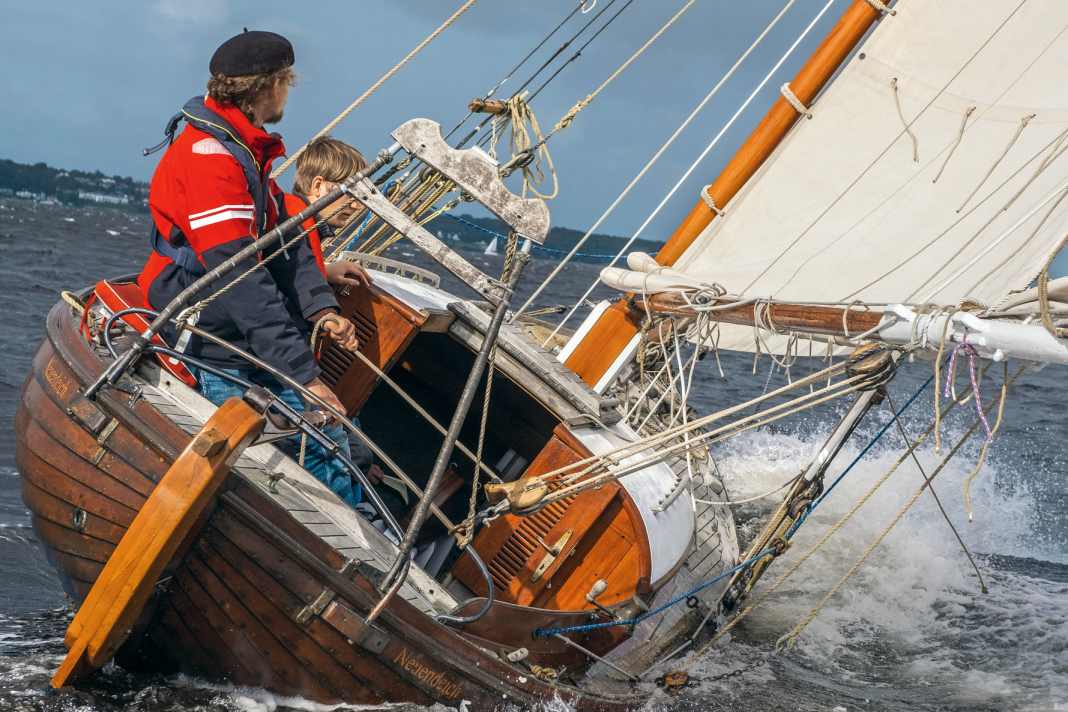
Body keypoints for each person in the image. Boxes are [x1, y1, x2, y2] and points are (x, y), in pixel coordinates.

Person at [136, 30, 363, 507]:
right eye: (287, 82)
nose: (288, 93)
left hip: (235, 327)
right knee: (317, 444)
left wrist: (322, 309)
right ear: (268, 86)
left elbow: (293, 235)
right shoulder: (212, 160)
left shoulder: (245, 150)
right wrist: (307, 378)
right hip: (206, 332)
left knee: (339, 436)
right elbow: (238, 280)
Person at [279, 135, 374, 289]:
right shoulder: (291, 230)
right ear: (318, 187)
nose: (357, 206)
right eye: (350, 194)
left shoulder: (294, 221)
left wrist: (325, 270)